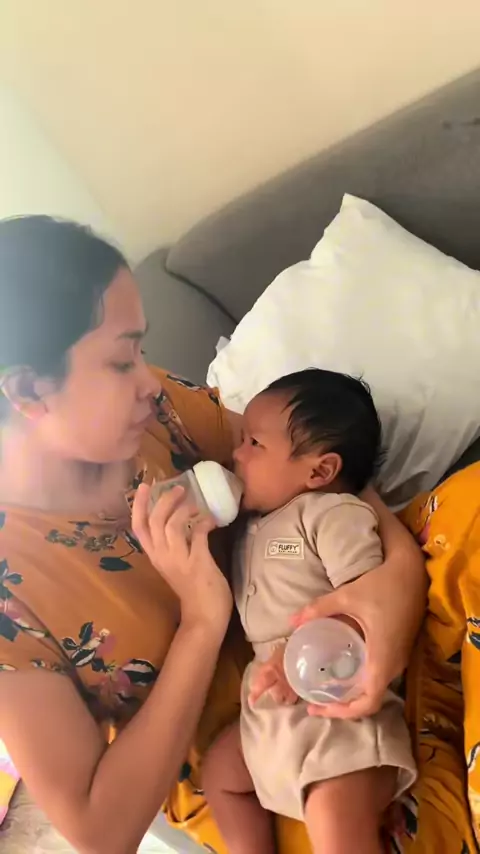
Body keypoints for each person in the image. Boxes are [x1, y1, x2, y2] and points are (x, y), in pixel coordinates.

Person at [0, 215, 427, 854]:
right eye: (121, 360)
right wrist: (203, 618)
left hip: (332, 664)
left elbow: (313, 473)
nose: (150, 380)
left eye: (141, 350)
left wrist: (396, 583)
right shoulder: (12, 594)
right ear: (29, 390)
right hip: (238, 760)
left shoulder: (156, 415)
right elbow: (100, 831)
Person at [202, 369, 417, 854]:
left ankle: (364, 800)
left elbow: (365, 606)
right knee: (220, 774)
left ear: (319, 472)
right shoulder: (250, 527)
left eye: (254, 443)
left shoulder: (332, 515)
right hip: (268, 718)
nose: (237, 454)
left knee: (333, 818)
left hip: (335, 717)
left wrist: (300, 657)